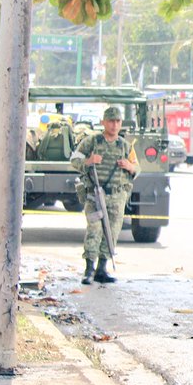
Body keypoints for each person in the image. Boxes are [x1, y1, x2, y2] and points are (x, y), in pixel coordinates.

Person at [71, 106, 138, 284]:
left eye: (117, 121)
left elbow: (137, 168)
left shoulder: (125, 146)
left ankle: (102, 269)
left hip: (117, 197)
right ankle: (89, 269)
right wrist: (88, 161)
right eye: (111, 121)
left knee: (112, 232)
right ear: (103, 122)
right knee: (95, 230)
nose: (114, 125)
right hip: (95, 195)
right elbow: (74, 159)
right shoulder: (92, 141)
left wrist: (129, 166)